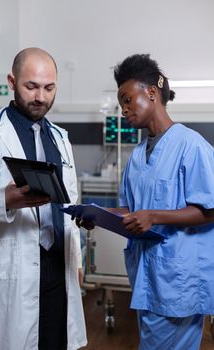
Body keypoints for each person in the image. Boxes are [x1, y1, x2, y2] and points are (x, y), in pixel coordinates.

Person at [77, 54, 214, 349]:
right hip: (147, 276)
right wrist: (98, 214)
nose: (124, 110)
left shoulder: (192, 147)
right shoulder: (138, 155)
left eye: (128, 100)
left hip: (179, 279)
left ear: (151, 92)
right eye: (121, 103)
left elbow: (209, 210)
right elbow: (132, 210)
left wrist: (155, 216)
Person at [0, 47, 87, 350]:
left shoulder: (60, 138)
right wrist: (4, 200)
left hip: (58, 266)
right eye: (31, 86)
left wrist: (77, 262)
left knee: (55, 341)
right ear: (12, 82)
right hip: (11, 269)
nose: (41, 97)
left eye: (49, 87)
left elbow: (69, 203)